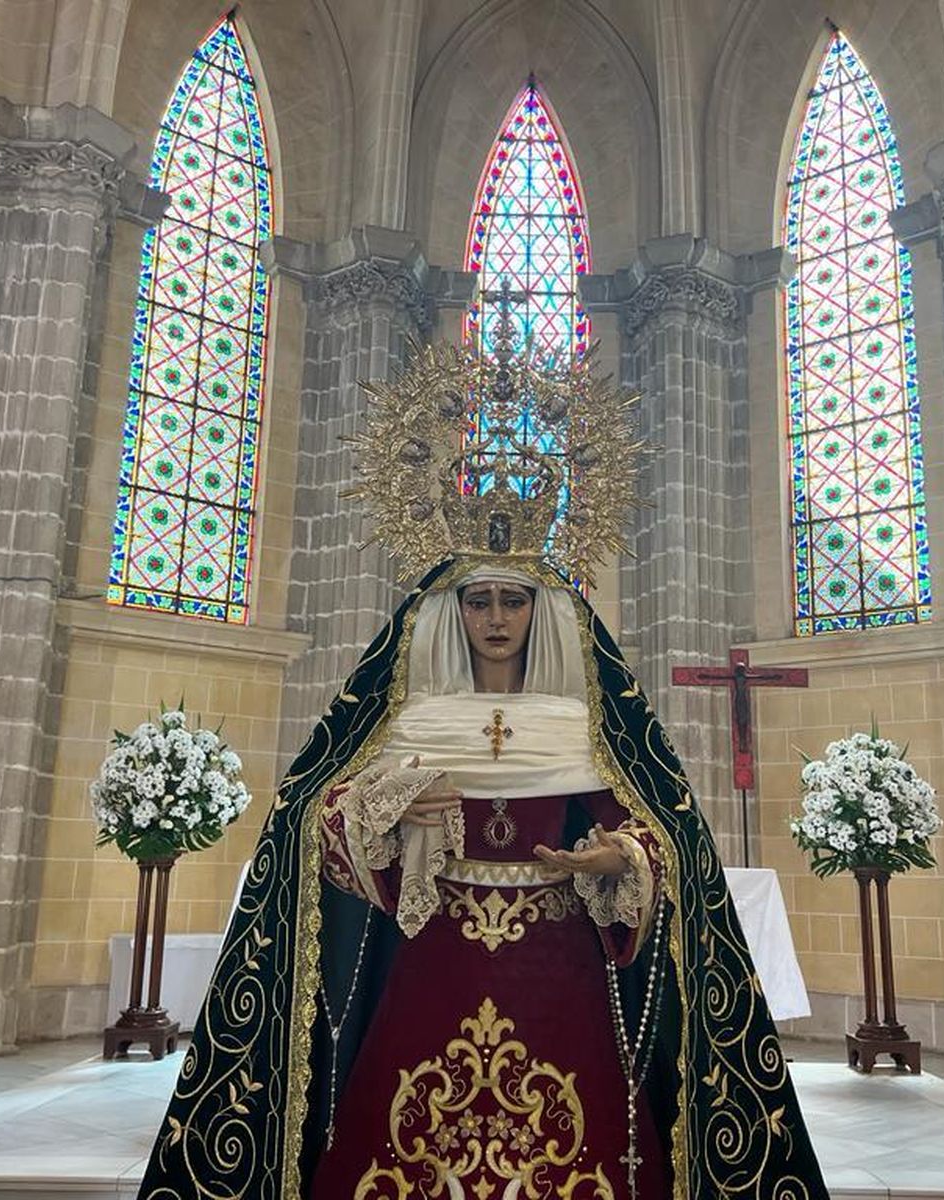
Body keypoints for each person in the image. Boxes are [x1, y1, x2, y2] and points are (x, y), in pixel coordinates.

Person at [137, 339, 828, 1200]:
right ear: (451, 611)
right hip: (435, 955)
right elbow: (315, 818)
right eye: (478, 600)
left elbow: (660, 831)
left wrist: (623, 860)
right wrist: (388, 805)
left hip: (562, 957)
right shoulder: (414, 717)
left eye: (513, 600)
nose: (496, 618)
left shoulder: (582, 723)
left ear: (542, 613)